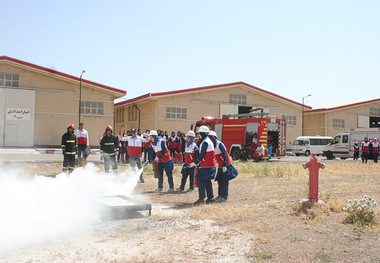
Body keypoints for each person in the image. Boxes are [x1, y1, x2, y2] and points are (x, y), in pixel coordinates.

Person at [208, 131, 238, 202]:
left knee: (225, 181)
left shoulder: (220, 144)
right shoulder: (211, 145)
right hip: (220, 166)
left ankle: (224, 196)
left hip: (226, 165)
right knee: (220, 181)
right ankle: (220, 195)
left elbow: (224, 154)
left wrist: (225, 165)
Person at [189, 125, 216, 204]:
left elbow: (202, 154)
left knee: (201, 180)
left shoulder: (205, 142)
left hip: (207, 165)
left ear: (203, 133)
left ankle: (202, 198)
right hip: (209, 165)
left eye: (199, 133)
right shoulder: (206, 140)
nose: (198, 135)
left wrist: (195, 163)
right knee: (207, 181)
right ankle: (210, 197)